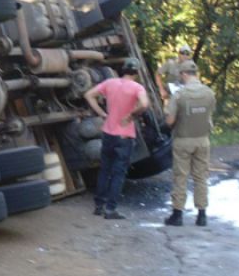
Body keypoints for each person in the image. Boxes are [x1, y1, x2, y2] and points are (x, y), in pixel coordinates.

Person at [84, 58, 150, 220]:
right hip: (124, 135)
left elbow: (88, 95)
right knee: (118, 173)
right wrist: (131, 115)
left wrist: (102, 113)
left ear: (123, 69)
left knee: (104, 170)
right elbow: (144, 104)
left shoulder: (110, 83)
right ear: (136, 72)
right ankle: (110, 209)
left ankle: (99, 206)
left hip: (108, 133)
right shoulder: (137, 87)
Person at [164, 60, 216, 227]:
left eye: (180, 74)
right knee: (201, 177)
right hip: (203, 140)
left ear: (184, 74)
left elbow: (170, 121)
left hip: (183, 140)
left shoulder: (179, 95)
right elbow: (209, 116)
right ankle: (202, 215)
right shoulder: (209, 93)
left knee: (181, 176)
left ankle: (177, 215)